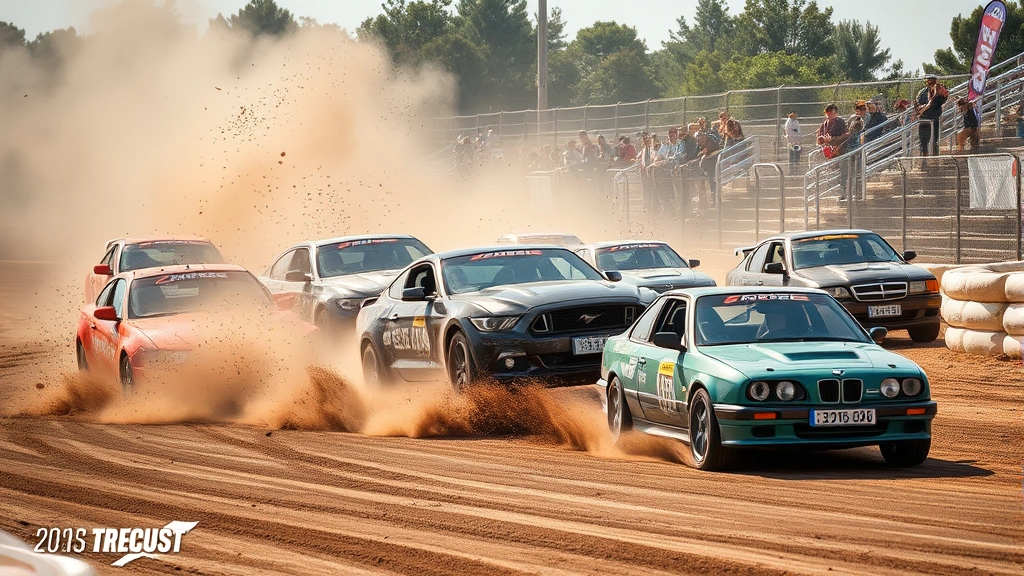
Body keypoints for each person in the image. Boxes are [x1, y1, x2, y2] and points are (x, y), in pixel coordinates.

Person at [816, 104, 850, 199]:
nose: (830, 115)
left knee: (843, 172)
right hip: (829, 152)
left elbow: (844, 135)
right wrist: (822, 139)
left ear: (836, 113)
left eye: (832, 113)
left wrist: (832, 139)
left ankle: (843, 191)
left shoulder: (840, 122)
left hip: (841, 150)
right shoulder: (824, 124)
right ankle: (834, 190)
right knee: (832, 172)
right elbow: (819, 137)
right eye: (828, 113)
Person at [915, 74, 948, 156]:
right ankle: (924, 155)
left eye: (931, 79)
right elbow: (917, 103)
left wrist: (929, 104)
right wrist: (921, 108)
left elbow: (940, 101)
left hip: (934, 117)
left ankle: (934, 154)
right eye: (928, 79)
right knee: (923, 140)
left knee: (934, 139)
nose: (929, 81)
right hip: (923, 118)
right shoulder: (922, 92)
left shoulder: (940, 90)